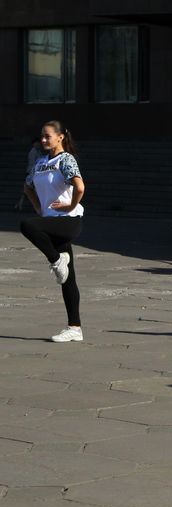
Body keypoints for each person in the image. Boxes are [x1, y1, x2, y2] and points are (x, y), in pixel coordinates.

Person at [20, 120, 86, 343]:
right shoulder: (40, 162)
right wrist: (39, 207)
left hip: (67, 221)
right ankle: (74, 328)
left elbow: (80, 187)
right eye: (42, 136)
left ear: (60, 137)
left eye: (48, 136)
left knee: (27, 225)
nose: (44, 140)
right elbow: (27, 186)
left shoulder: (65, 159)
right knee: (68, 279)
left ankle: (57, 260)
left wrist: (69, 206)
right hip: (51, 222)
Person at [15, 138, 45, 210]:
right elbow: (32, 164)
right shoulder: (33, 152)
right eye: (36, 143)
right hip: (32, 174)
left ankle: (19, 205)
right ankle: (19, 205)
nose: (38, 144)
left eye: (39, 143)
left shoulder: (38, 152)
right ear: (33, 144)